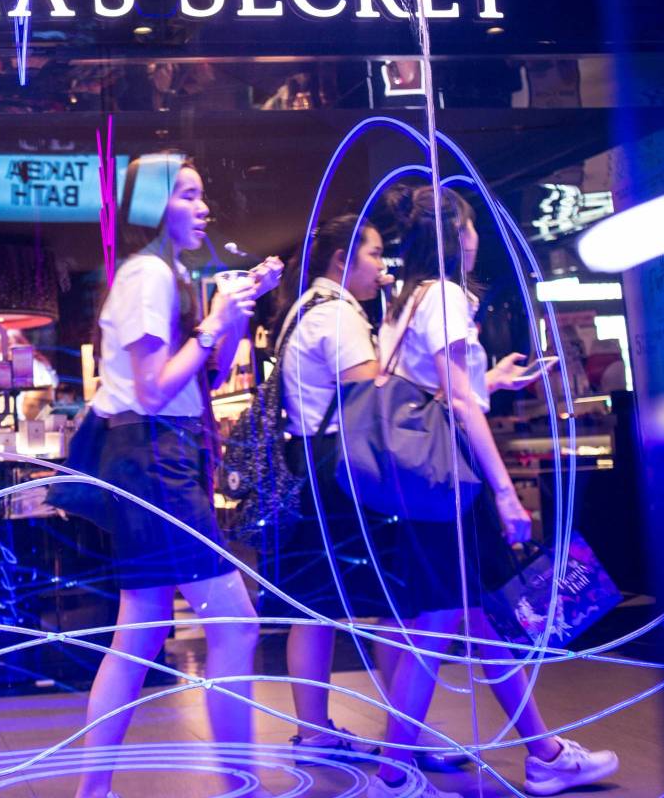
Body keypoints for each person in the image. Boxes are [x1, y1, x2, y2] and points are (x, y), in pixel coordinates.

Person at [367, 185, 618, 798]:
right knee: (441, 621)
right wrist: (506, 492)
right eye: (472, 228)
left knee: (478, 620)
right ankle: (393, 770)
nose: (478, 239)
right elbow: (453, 399)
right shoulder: (448, 296)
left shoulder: (405, 304)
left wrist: (493, 380)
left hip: (427, 484)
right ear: (457, 237)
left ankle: (544, 753)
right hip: (455, 482)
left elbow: (437, 389)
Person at [73, 154, 281, 798]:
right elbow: (154, 389)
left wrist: (234, 314)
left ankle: (95, 790)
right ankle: (238, 783)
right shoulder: (146, 276)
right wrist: (216, 320)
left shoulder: (168, 276)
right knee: (233, 622)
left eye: (200, 195)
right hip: (152, 459)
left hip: (157, 457)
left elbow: (205, 378)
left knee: (138, 630)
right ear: (154, 207)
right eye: (187, 195)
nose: (202, 207)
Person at [265, 214, 398, 759]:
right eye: (374, 254)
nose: (382, 266)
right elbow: (374, 392)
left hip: (310, 465)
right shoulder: (339, 316)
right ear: (341, 259)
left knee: (314, 606)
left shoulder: (303, 309)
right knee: (396, 602)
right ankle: (406, 734)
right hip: (343, 469)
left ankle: (315, 730)